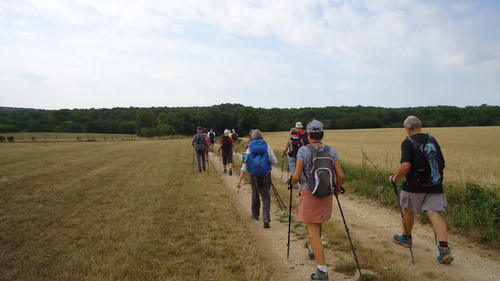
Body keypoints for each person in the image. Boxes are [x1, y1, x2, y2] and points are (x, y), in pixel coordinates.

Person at [389, 116, 453, 264]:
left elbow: (405, 166)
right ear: (420, 126)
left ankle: (406, 238)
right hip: (435, 184)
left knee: (408, 211)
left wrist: (394, 178)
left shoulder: (407, 142)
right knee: (434, 213)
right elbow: (441, 162)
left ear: (407, 128)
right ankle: (444, 249)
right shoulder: (432, 139)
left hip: (415, 187)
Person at [291, 119, 345, 281]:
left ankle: (322, 271)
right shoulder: (331, 151)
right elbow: (341, 175)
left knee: (313, 232)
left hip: (309, 192)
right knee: (318, 223)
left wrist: (292, 182)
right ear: (322, 134)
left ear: (308, 134)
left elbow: (297, 175)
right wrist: (336, 189)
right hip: (326, 192)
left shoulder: (304, 151)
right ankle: (314, 249)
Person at [236, 129, 278, 228]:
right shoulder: (267, 146)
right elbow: (275, 161)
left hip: (253, 175)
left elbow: (245, 165)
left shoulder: (250, 148)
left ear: (252, 138)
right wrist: (267, 162)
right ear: (262, 137)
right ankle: (266, 218)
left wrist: (239, 180)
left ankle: (255, 215)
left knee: (255, 195)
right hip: (266, 174)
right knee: (266, 197)